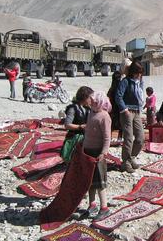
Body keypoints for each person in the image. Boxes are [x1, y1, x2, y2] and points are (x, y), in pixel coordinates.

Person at [79, 91, 112, 220]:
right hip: (88, 151)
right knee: (89, 181)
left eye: (93, 101)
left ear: (99, 102)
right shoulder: (91, 113)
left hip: (98, 153)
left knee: (99, 183)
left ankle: (104, 207)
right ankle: (92, 205)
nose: (91, 102)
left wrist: (104, 152)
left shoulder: (105, 117)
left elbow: (107, 137)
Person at [115, 61, 145, 173]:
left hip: (137, 111)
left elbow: (141, 94)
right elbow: (118, 96)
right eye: (137, 73)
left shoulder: (138, 82)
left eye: (140, 73)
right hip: (127, 112)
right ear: (132, 72)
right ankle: (125, 163)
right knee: (128, 138)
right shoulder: (125, 82)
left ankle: (131, 157)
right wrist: (124, 109)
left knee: (140, 138)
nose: (139, 75)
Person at [61, 86, 94, 162]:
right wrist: (80, 127)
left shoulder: (87, 108)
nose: (92, 100)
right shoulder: (73, 109)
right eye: (90, 98)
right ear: (85, 97)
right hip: (74, 137)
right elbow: (67, 125)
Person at [107, 71, 123, 144]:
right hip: (120, 108)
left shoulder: (112, 88)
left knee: (111, 124)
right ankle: (119, 138)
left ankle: (109, 138)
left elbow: (108, 97)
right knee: (121, 124)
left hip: (113, 108)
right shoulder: (121, 87)